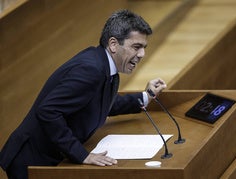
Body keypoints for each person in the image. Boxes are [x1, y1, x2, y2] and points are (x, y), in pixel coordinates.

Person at [0, 9, 167, 179]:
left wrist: (146, 96)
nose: (142, 54)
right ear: (114, 44)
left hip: (51, 157)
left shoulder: (105, 66)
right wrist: (82, 155)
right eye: (136, 47)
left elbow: (102, 103)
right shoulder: (91, 69)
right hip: (32, 160)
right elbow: (48, 111)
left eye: (144, 48)